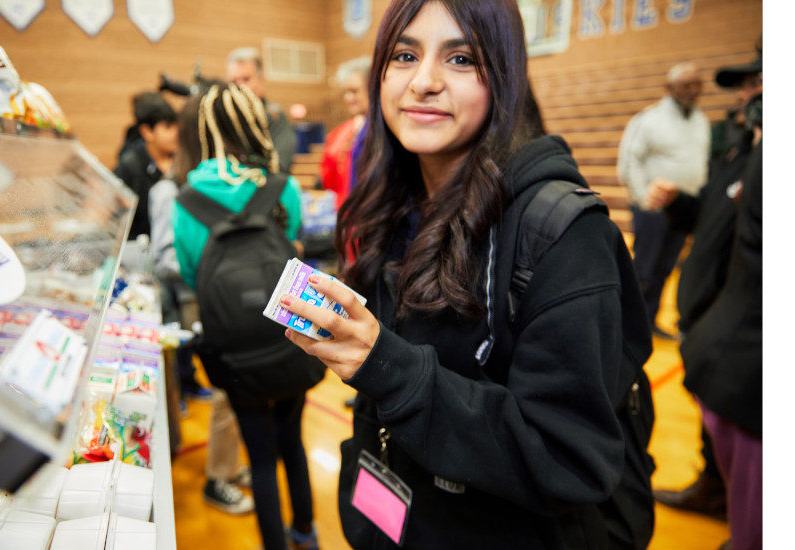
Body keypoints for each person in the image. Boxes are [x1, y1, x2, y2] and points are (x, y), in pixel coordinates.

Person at [279, 1, 654, 548]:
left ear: (504, 75)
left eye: (460, 58)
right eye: (405, 54)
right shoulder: (394, 205)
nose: (424, 82)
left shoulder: (566, 235)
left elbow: (570, 459)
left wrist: (387, 366)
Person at [171, 82, 319, 550]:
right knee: (292, 441)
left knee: (257, 455)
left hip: (232, 349)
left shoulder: (185, 199)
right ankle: (307, 532)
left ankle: (274, 542)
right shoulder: (282, 187)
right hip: (288, 336)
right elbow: (293, 256)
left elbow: (194, 277)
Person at [645, 52, 763, 550]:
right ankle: (713, 490)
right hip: (708, 316)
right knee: (718, 443)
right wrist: (680, 206)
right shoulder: (736, 151)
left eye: (756, 85)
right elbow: (712, 219)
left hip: (731, 325)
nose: (744, 96)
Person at [147, 91, 254, 517]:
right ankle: (218, 475)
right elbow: (163, 255)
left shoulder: (219, 184)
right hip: (200, 300)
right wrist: (215, 264)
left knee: (242, 390)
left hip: (227, 298)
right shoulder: (168, 190)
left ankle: (228, 466)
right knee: (228, 393)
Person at [617, 62, 710, 339]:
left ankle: (648, 322)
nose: (692, 90)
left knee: (665, 268)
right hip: (653, 210)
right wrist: (644, 198)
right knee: (643, 269)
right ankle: (625, 326)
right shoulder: (649, 120)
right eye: (685, 85)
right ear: (669, 88)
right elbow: (629, 161)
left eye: (697, 84)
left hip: (685, 210)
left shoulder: (702, 121)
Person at [114, 92, 179, 240]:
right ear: (147, 131)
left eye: (177, 126)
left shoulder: (182, 161)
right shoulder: (129, 166)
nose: (176, 133)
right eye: (168, 127)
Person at [225, 47, 298, 173]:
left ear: (261, 80)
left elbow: (280, 165)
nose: (239, 87)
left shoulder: (275, 116)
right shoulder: (226, 119)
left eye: (246, 79)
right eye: (234, 81)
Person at [321, 56, 370, 210]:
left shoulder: (389, 130)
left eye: (355, 91)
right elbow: (328, 179)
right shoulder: (339, 134)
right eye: (346, 92)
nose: (349, 98)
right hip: (347, 213)